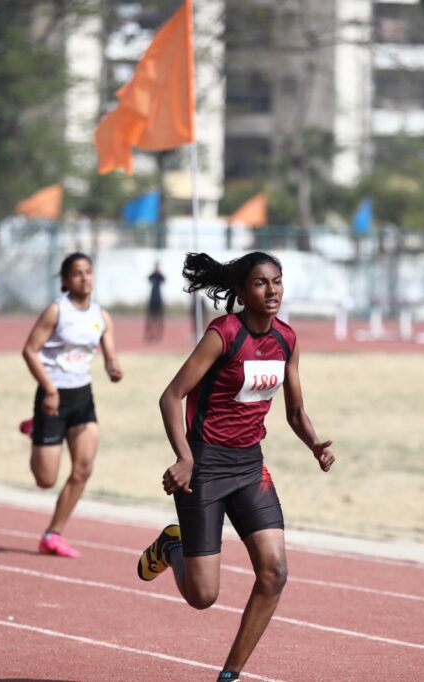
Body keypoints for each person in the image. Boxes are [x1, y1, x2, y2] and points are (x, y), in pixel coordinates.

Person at [136, 251, 335, 682]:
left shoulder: (287, 339)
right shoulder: (223, 334)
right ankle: (173, 547)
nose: (273, 291)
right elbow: (171, 396)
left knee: (275, 572)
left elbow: (295, 411)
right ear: (243, 292)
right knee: (204, 595)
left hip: (250, 469)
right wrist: (184, 457)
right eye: (262, 283)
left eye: (277, 281)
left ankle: (231, 674)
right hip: (205, 467)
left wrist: (315, 444)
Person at [21, 252, 123, 558]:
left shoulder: (101, 316)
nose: (84, 278)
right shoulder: (56, 311)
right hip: (53, 398)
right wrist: (49, 389)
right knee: (45, 480)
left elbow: (110, 355)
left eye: (88, 272)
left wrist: (114, 368)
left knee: (83, 469)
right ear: (65, 280)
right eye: (77, 273)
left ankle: (53, 534)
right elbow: (29, 350)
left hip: (82, 398)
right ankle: (36, 425)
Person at [145, 262, 166, 343]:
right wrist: (153, 272)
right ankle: (150, 334)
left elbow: (164, 279)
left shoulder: (159, 276)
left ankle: (158, 335)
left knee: (159, 319)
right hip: (152, 300)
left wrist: (159, 272)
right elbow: (149, 278)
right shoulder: (152, 275)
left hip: (159, 300)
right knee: (150, 318)